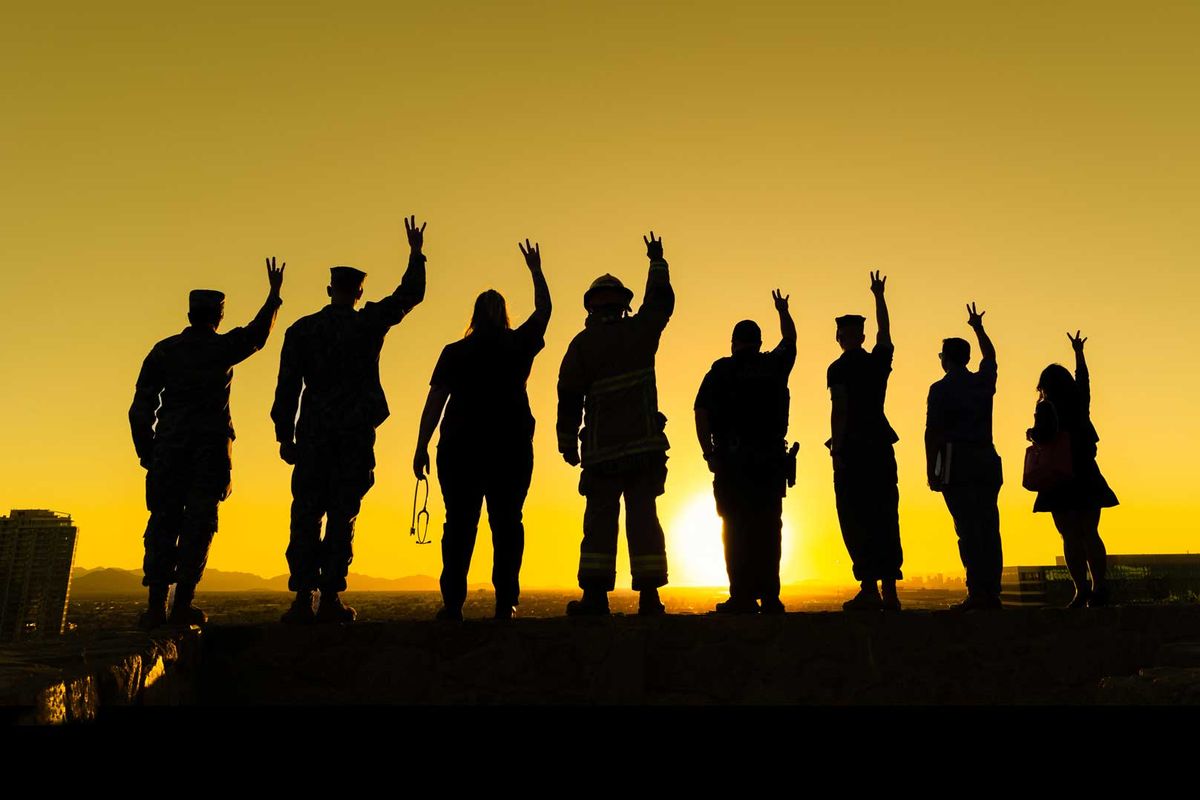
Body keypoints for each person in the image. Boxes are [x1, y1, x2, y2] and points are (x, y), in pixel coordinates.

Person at [272, 216, 427, 624]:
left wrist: (284, 436)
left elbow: (286, 389)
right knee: (343, 513)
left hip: (314, 434)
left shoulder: (302, 331)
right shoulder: (367, 323)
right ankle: (328, 599)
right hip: (353, 435)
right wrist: (415, 254)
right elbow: (410, 295)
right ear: (359, 292)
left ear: (329, 290)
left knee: (306, 512)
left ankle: (303, 597)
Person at [129, 258, 285, 628]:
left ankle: (155, 607)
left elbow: (140, 407)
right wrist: (274, 296)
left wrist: (147, 450)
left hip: (168, 450)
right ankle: (182, 604)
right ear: (218, 316)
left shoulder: (164, 351)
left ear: (188, 313)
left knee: (163, 522)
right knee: (199, 525)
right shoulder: (222, 349)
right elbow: (257, 335)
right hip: (209, 454)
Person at [413, 239, 552, 621]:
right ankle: (505, 602)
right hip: (510, 450)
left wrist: (421, 445)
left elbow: (435, 403)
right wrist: (536, 271)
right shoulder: (518, 344)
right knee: (507, 524)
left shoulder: (455, 352)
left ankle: (453, 603)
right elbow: (544, 310)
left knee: (459, 526)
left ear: (473, 316)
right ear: (504, 314)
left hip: (460, 451)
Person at [557, 231, 674, 616]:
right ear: (623, 306)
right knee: (644, 522)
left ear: (591, 308)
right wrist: (656, 261)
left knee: (599, 527)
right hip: (642, 449)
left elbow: (569, 397)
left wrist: (567, 443)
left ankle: (594, 599)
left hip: (602, 454)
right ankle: (650, 598)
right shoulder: (639, 332)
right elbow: (660, 303)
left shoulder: (582, 345)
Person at [695, 290, 797, 614]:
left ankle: (741, 596)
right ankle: (769, 596)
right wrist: (783, 311)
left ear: (733, 343)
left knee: (736, 531)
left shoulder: (721, 371)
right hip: (768, 464)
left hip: (733, 464)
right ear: (758, 341)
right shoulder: (774, 366)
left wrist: (708, 453)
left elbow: (700, 411)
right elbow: (791, 340)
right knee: (769, 530)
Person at [827, 271, 903, 611]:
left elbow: (839, 410)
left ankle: (870, 587)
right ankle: (889, 591)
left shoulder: (838, 369)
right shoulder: (876, 362)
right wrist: (879, 296)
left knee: (856, 517)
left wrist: (837, 450)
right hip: (880, 449)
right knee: (886, 514)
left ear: (841, 337)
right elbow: (885, 332)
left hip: (855, 451)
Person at [1026, 331, 1119, 608]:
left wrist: (1031, 433)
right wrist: (1079, 353)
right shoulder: (1080, 403)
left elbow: (1043, 436)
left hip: (1058, 479)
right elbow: (1084, 381)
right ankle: (1099, 587)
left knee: (1069, 535)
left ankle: (1080, 591)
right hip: (1087, 474)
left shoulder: (1045, 407)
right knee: (1091, 532)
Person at [925, 302, 1004, 610]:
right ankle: (992, 591)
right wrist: (979, 328)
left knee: (968, 531)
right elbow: (991, 358)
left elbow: (933, 433)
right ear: (967, 357)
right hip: (986, 460)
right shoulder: (982, 382)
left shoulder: (940, 389)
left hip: (958, 464)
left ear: (946, 360)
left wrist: (933, 470)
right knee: (989, 528)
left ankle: (978, 591)